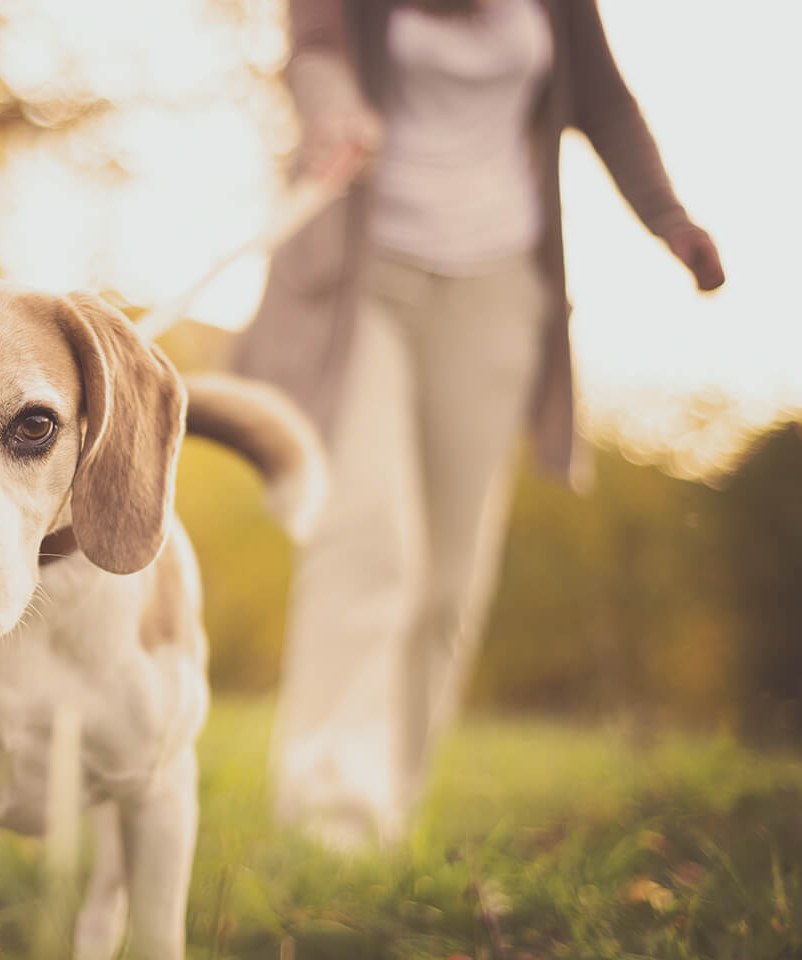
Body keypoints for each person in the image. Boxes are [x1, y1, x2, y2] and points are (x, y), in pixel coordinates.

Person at [234, 0, 725, 848]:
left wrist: (669, 219)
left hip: (498, 286)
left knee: (450, 579)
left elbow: (605, 102)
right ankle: (327, 819)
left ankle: (390, 808)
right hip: (364, 276)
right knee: (370, 537)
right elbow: (312, 48)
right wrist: (337, 109)